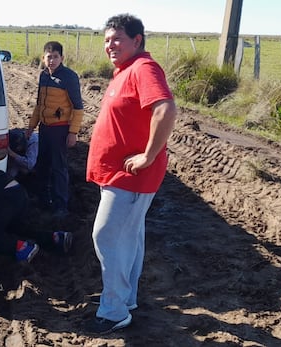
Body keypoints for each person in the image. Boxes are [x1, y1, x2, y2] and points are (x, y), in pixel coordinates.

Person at [84, 14, 177, 334]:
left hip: (130, 177)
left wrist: (148, 155)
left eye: (117, 39)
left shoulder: (144, 69)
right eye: (107, 39)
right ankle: (126, 298)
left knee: (107, 236)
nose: (110, 45)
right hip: (116, 174)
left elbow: (166, 109)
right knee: (130, 238)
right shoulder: (124, 71)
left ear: (137, 41)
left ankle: (113, 311)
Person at [26, 41, 84, 219]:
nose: (52, 61)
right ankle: (42, 199)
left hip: (60, 130)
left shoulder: (69, 77)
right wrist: (31, 127)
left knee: (59, 167)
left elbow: (78, 108)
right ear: (43, 59)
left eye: (55, 57)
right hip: (45, 128)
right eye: (49, 57)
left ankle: (61, 206)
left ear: (62, 58)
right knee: (42, 165)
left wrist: (73, 132)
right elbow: (39, 105)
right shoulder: (43, 76)